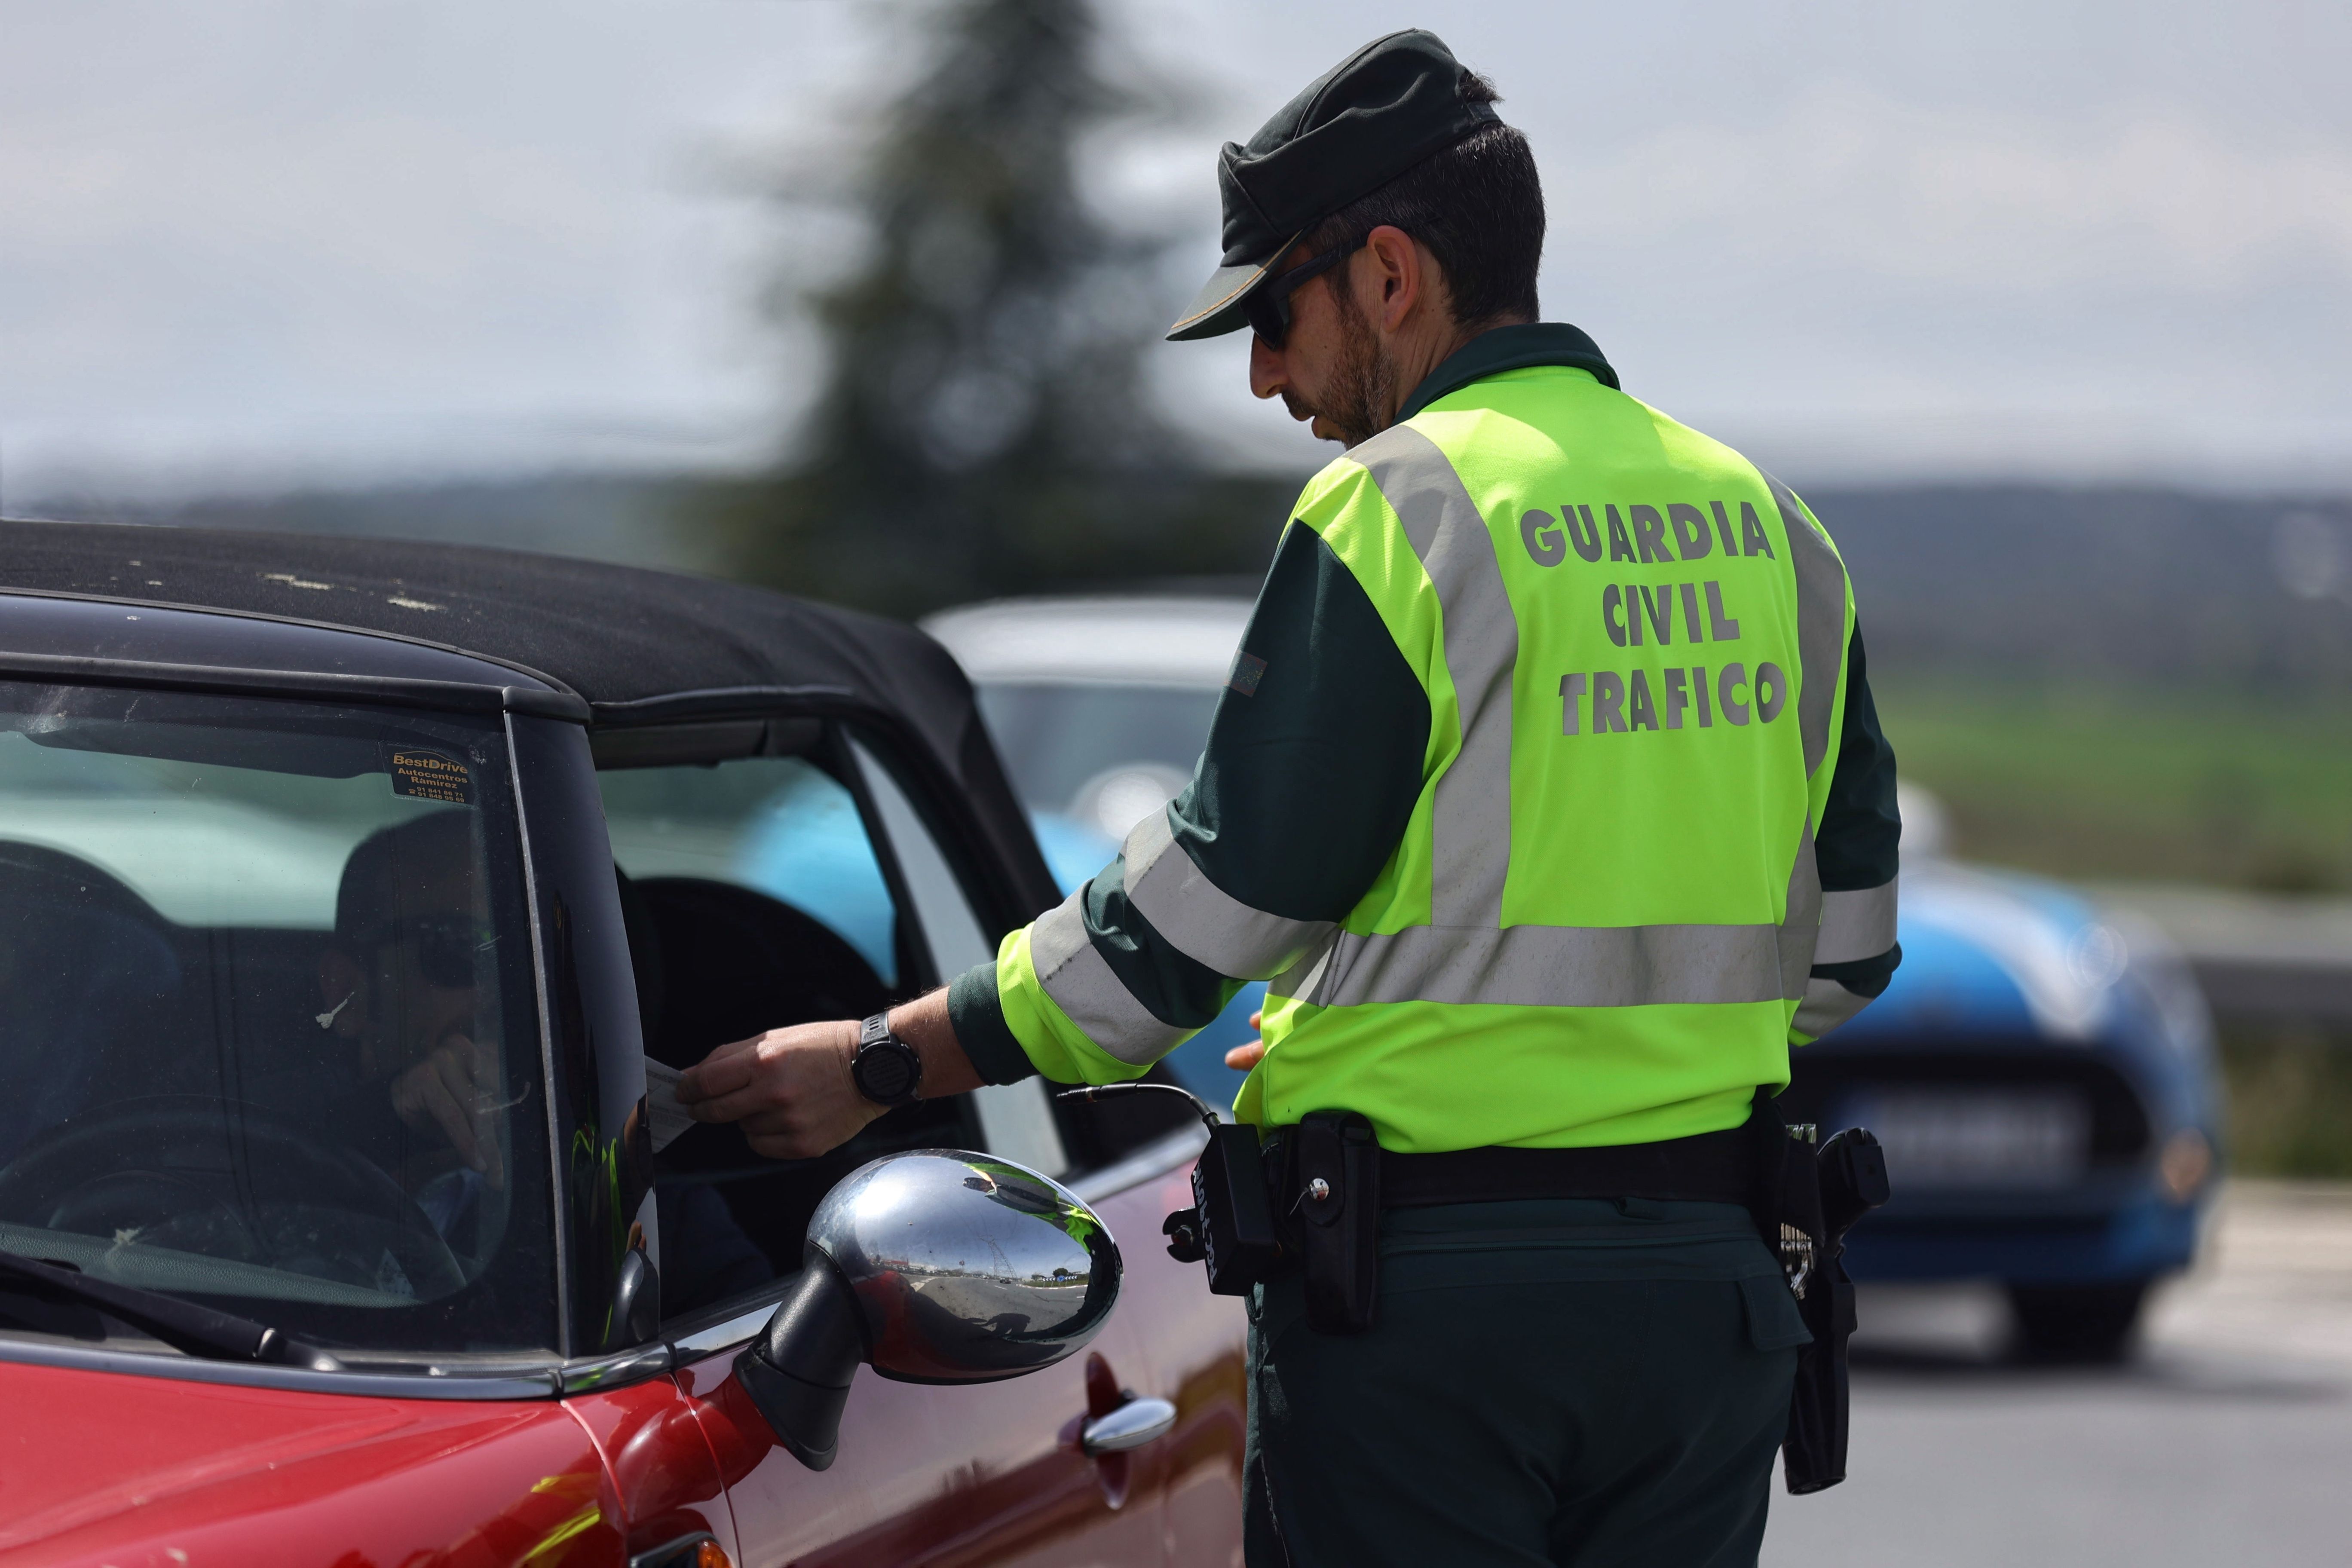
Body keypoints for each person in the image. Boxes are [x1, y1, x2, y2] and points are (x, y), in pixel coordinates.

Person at [678, 28, 1901, 1566]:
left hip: (1430, 1320)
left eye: (1274, 316)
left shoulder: (1401, 508)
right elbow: (1844, 959)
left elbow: (1194, 929)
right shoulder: (1774, 532)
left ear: (1388, 273)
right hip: (1711, 1313)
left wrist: (879, 1059)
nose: (1269, 379)